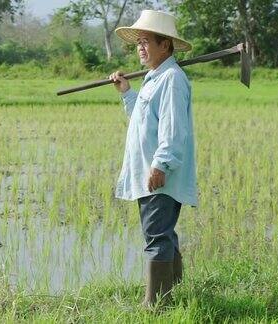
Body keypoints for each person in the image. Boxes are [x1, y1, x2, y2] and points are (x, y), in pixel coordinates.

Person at [109, 10, 198, 307]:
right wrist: (126, 93)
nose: (141, 48)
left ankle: (157, 305)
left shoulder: (171, 79)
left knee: (156, 237)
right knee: (162, 233)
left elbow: (174, 131)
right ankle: (173, 290)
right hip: (153, 172)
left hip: (158, 174)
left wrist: (160, 165)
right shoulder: (154, 78)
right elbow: (144, 121)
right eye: (139, 43)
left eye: (147, 42)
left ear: (166, 46)